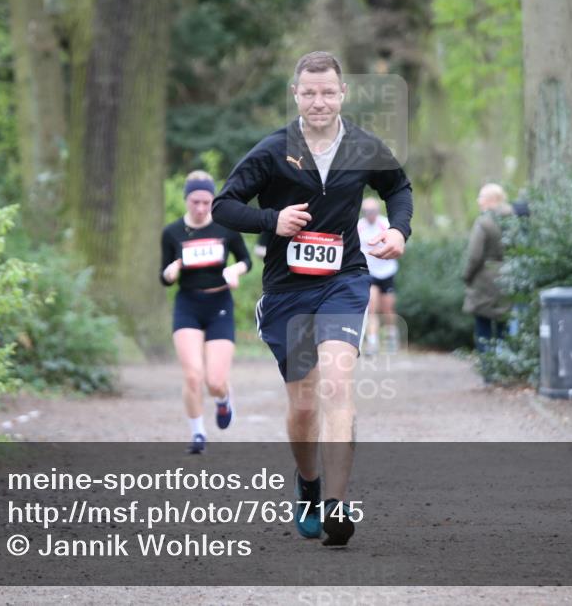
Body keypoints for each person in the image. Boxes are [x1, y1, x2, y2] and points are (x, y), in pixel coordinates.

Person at [212, 51, 413, 547]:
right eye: (309, 92)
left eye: (327, 92)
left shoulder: (363, 146)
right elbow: (224, 206)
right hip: (288, 291)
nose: (319, 101)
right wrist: (272, 220)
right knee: (303, 404)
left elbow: (398, 188)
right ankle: (308, 484)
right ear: (295, 95)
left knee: (337, 384)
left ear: (343, 93)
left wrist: (398, 230)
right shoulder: (272, 150)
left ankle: (337, 505)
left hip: (344, 280)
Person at [160, 171, 252, 454]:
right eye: (195, 201)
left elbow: (246, 260)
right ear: (186, 200)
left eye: (206, 202)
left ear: (213, 200)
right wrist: (170, 272)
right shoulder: (172, 232)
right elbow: (164, 277)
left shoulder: (225, 227)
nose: (200, 208)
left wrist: (234, 270)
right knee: (192, 376)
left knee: (214, 381)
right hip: (187, 304)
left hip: (219, 304)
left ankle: (223, 399)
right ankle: (198, 433)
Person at [463, 183, 512, 361]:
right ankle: (505, 364)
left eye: (481, 197)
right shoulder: (513, 219)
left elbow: (474, 256)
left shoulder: (484, 222)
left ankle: (487, 366)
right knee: (504, 324)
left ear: (491, 200)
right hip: (510, 276)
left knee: (483, 325)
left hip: (485, 279)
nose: (478, 201)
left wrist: (467, 276)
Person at [357, 197, 399, 355]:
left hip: (386, 271)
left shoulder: (386, 224)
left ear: (378, 211)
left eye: (373, 211)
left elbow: (397, 244)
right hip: (370, 272)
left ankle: (391, 336)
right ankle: (373, 342)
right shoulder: (359, 226)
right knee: (372, 307)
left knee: (387, 309)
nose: (370, 214)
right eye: (367, 211)